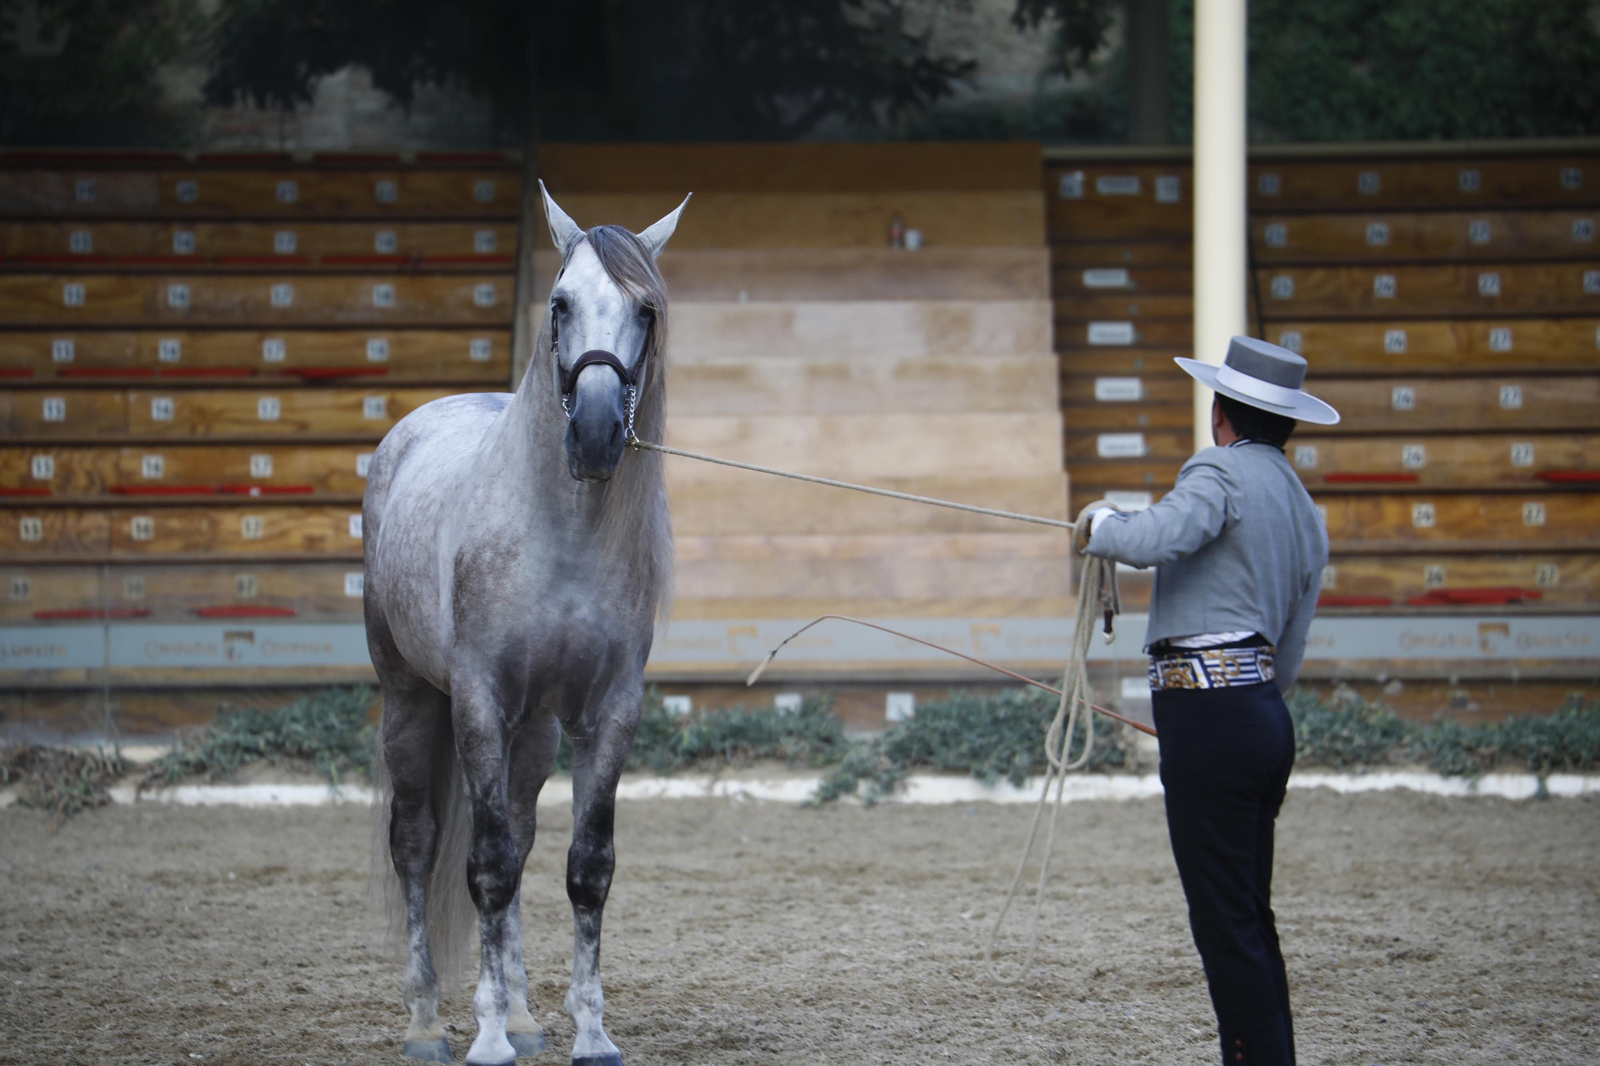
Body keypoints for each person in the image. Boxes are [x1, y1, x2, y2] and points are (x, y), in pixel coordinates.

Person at [1076, 336, 1340, 1066]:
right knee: (1248, 914)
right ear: (1285, 423)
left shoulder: (1217, 469)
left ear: (1222, 413)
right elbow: (1289, 649)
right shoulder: (1304, 508)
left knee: (1225, 921)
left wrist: (1103, 526)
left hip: (1215, 720)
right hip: (1259, 714)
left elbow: (1160, 535)